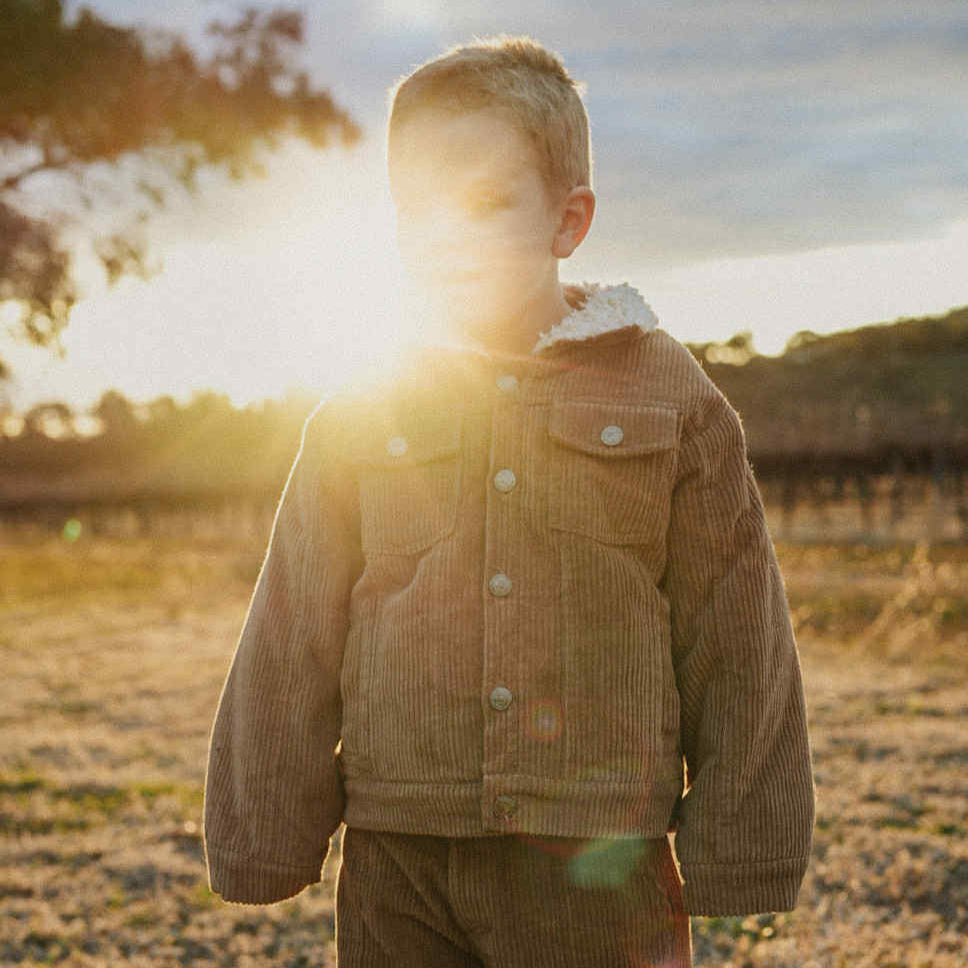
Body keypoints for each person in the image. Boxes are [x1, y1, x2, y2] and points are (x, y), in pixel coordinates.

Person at [203, 35, 815, 968]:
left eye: (486, 205)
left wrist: (741, 849)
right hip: (401, 854)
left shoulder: (668, 395)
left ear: (567, 221)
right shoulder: (364, 401)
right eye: (418, 211)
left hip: (597, 865)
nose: (447, 238)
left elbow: (736, 633)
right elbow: (293, 627)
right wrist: (265, 833)